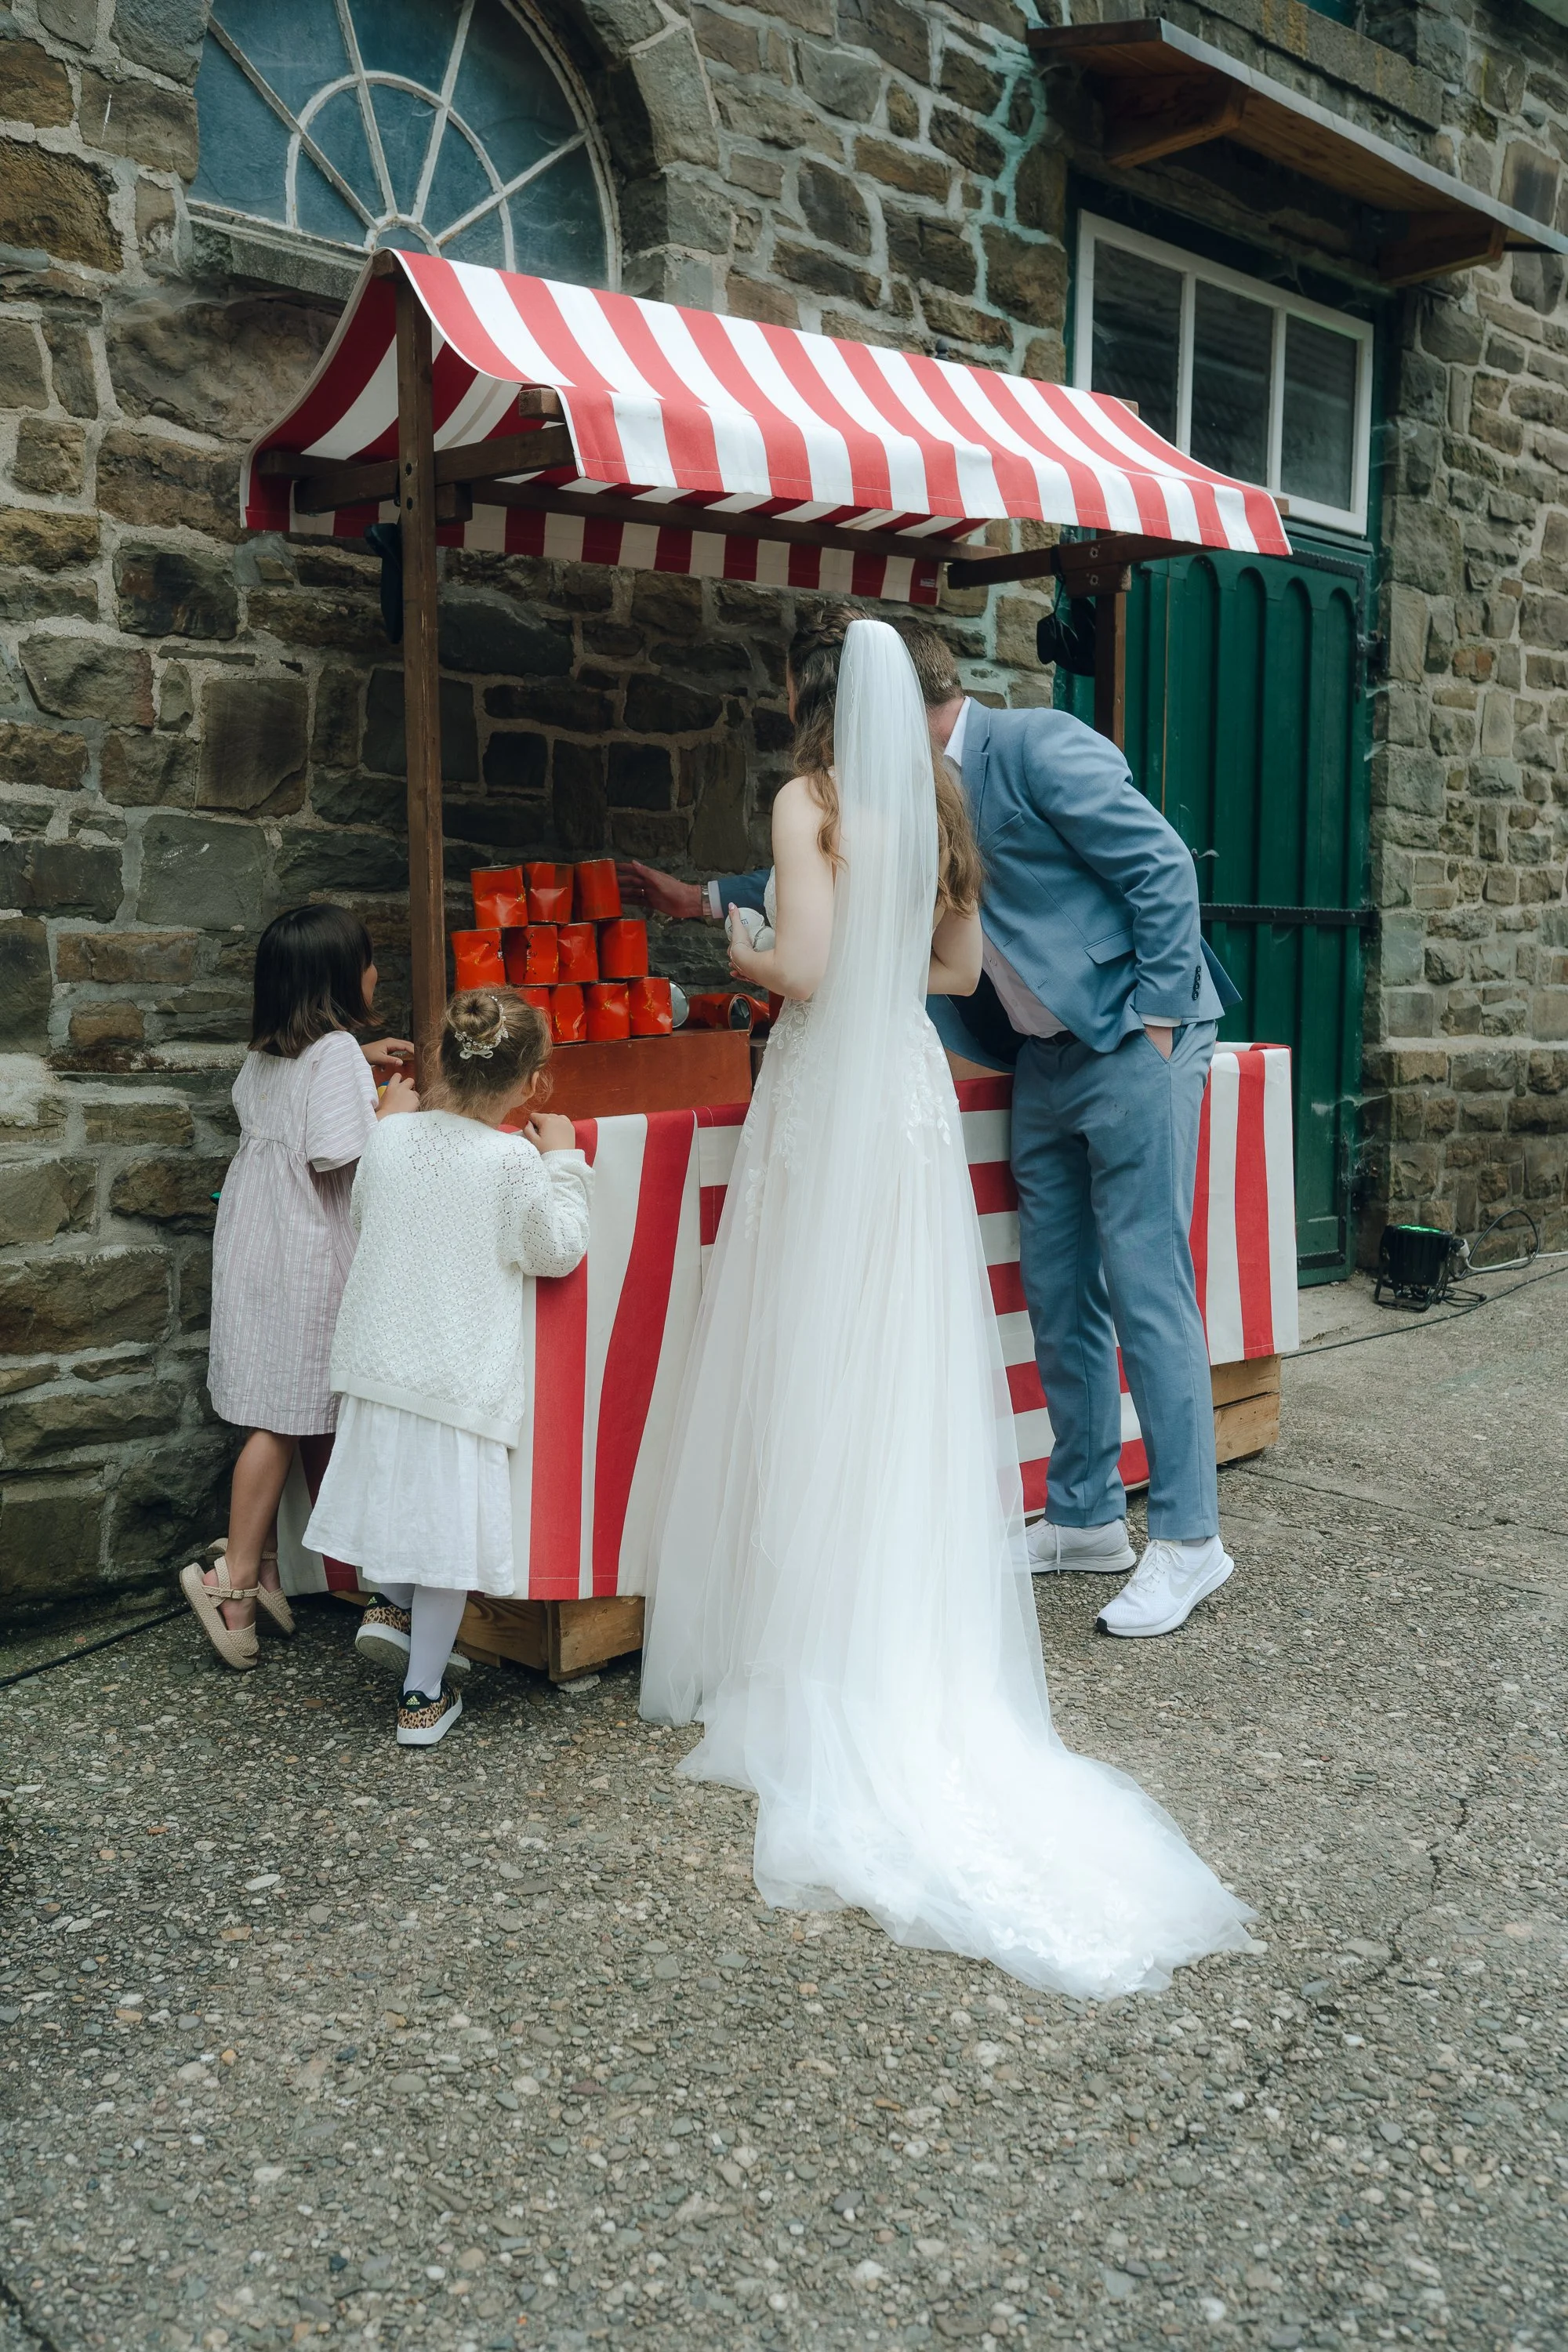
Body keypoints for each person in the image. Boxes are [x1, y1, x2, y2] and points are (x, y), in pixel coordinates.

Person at [637, 615, 1254, 1995]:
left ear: (825, 712)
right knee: (1018, 1306)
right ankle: (1087, 1511)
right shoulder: (934, 808)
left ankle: (1190, 1537)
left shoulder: (1007, 755)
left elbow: (1152, 866)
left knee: (1124, 1284)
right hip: (987, 1066)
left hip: (1097, 1044)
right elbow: (952, 967)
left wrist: (1162, 1017)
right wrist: (741, 905)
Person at [303, 989, 592, 1748]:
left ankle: (387, 1605)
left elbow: (366, 1214)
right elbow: (555, 1250)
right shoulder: (513, 1161)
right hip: (456, 1376)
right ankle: (421, 1699)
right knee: (447, 1544)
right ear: (533, 1085)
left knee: (400, 1506)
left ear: (441, 1060)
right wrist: (563, 1161)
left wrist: (390, 1121)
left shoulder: (388, 1139)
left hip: (378, 1363)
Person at [182, 905, 418, 1672]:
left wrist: (359, 1059)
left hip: (257, 1243)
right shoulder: (335, 1061)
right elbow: (342, 1157)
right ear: (340, 979)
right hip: (306, 1253)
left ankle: (274, 1571)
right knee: (281, 1419)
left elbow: (297, 1110)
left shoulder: (272, 1052)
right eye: (369, 958)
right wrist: (394, 1108)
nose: (377, 970)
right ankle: (236, 1583)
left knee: (275, 1407)